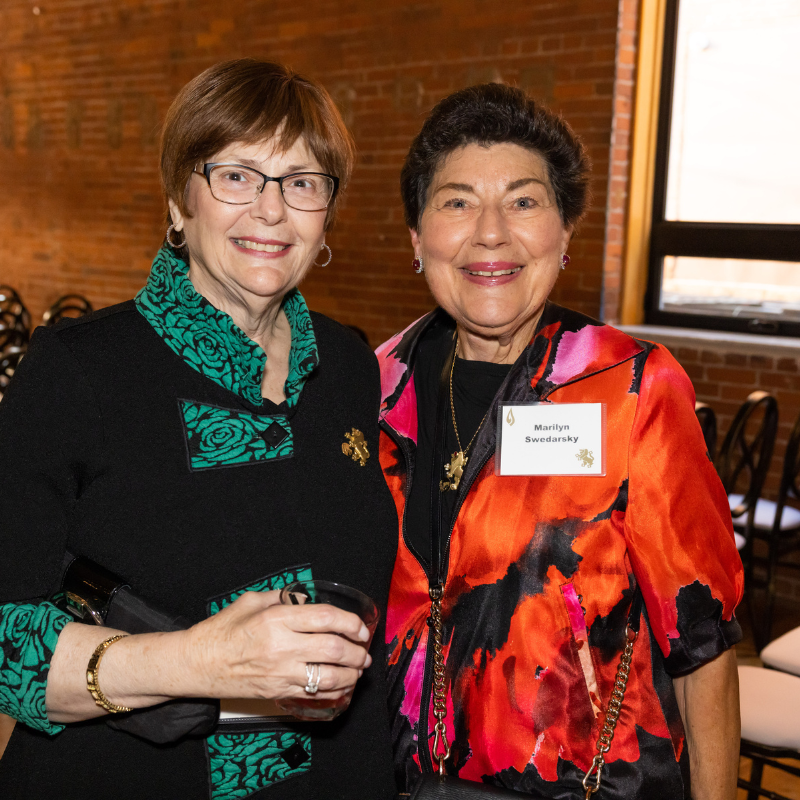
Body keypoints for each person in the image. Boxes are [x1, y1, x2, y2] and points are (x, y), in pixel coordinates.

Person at [0, 59, 398, 800]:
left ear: (326, 217)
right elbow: (3, 642)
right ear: (181, 201)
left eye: (303, 182)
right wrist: (196, 663)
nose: (272, 211)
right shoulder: (80, 371)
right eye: (238, 176)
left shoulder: (348, 363)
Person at [377, 83, 743, 800]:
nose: (491, 232)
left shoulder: (629, 389)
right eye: (456, 201)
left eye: (523, 200)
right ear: (416, 239)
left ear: (566, 232)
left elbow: (701, 640)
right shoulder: (375, 387)